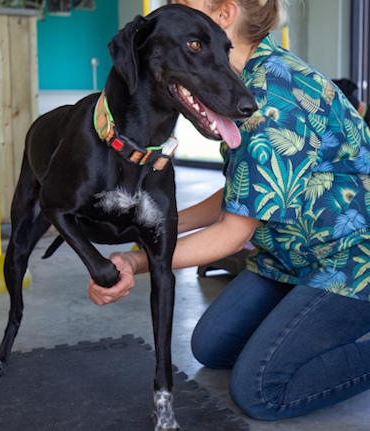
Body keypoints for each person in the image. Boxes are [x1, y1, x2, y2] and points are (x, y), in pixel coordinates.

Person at [88, 0, 370, 421]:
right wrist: (163, 219)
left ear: (223, 15)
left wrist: (134, 259)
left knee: (260, 390)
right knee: (212, 347)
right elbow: (245, 193)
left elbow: (232, 234)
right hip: (288, 258)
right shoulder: (244, 69)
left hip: (350, 262)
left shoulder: (272, 98)